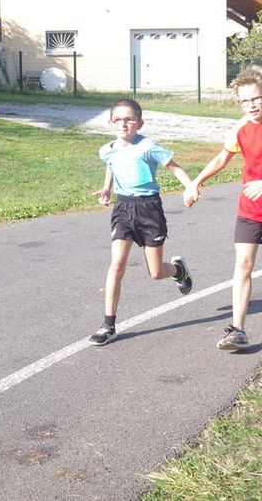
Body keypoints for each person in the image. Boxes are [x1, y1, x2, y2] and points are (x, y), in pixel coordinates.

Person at [183, 65, 262, 351]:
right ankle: (237, 329)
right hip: (250, 206)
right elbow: (221, 159)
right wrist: (196, 182)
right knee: (243, 264)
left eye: (255, 99)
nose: (251, 105)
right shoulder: (240, 127)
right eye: (244, 101)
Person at [88, 98, 194, 346]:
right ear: (111, 122)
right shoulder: (107, 150)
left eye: (129, 119)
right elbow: (111, 166)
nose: (123, 124)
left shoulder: (148, 146)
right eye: (118, 119)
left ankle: (178, 270)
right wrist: (106, 189)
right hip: (123, 207)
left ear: (139, 123)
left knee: (156, 273)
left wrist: (190, 187)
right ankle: (108, 325)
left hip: (149, 209)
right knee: (116, 265)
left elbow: (174, 167)